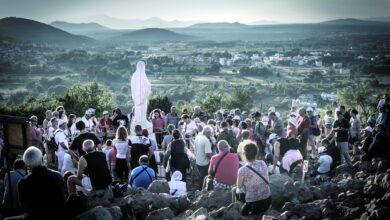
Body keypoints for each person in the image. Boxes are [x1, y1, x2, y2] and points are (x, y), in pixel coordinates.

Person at [17, 147, 67, 219]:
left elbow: (23, 205)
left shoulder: (23, 182)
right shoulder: (58, 175)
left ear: (27, 165)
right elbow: (64, 197)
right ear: (42, 159)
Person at [235, 141, 271, 216]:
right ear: (256, 153)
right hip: (267, 201)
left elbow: (239, 186)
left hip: (252, 205)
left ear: (244, 154)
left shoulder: (242, 170)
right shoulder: (262, 163)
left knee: (237, 190)